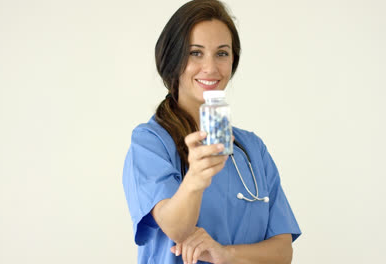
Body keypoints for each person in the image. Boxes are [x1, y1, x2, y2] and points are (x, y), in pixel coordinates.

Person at [122, 0, 301, 263]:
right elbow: (177, 229)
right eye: (195, 53)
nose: (211, 67)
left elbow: (283, 251)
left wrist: (226, 254)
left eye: (222, 53)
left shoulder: (252, 149)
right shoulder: (151, 142)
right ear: (173, 59)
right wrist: (194, 179)